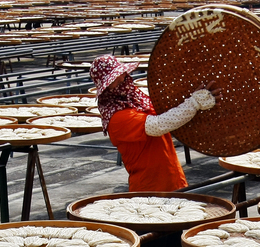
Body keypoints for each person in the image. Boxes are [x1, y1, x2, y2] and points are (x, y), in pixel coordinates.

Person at [90, 55, 215, 193]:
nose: (121, 78)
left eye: (120, 73)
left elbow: (167, 112)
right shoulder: (117, 119)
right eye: (113, 79)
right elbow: (159, 125)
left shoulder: (137, 101)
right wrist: (194, 103)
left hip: (173, 178)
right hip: (149, 188)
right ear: (106, 87)